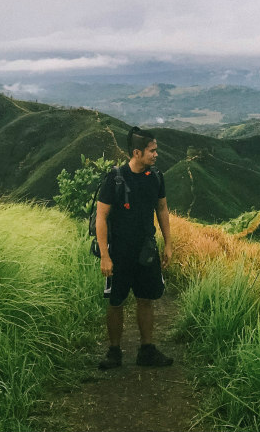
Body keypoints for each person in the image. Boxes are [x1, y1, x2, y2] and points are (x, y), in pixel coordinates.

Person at [95, 126, 174, 369]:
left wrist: (168, 244)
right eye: (152, 151)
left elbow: (162, 209)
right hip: (119, 251)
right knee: (116, 301)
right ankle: (114, 352)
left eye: (156, 150)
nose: (156, 155)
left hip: (146, 250)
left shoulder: (156, 177)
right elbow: (101, 217)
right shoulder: (116, 178)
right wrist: (105, 256)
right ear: (137, 152)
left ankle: (147, 350)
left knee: (146, 299)